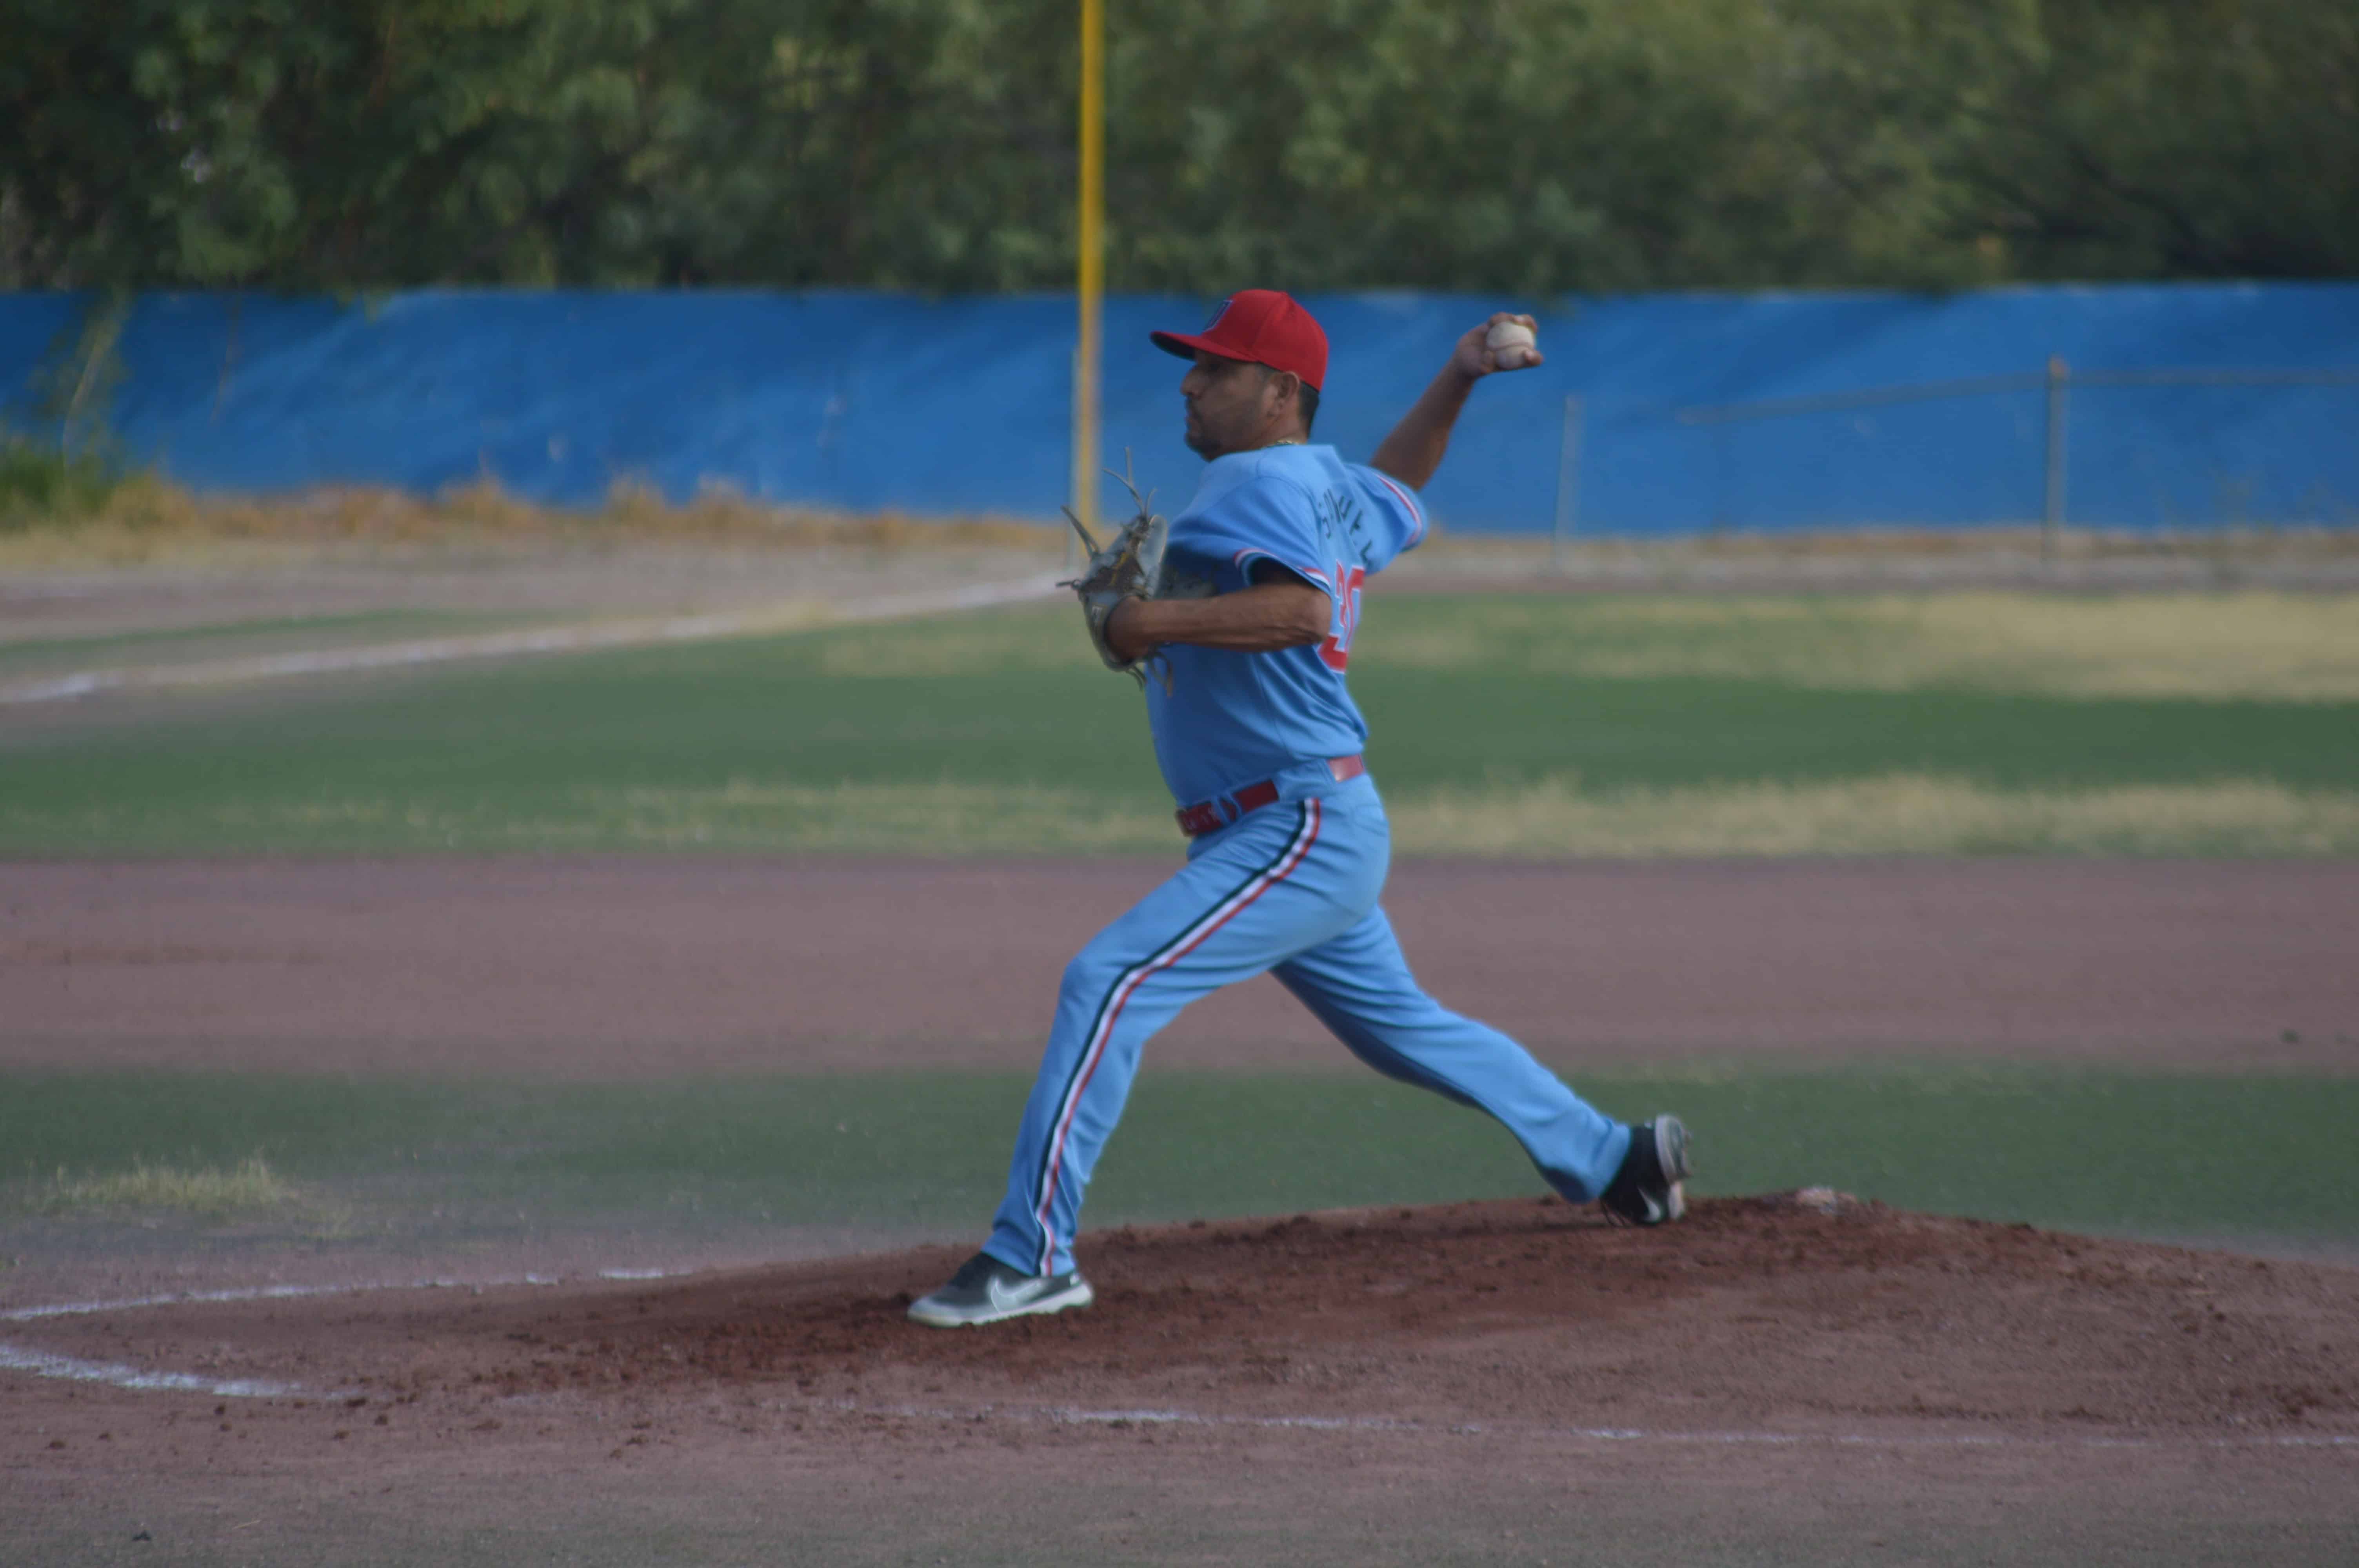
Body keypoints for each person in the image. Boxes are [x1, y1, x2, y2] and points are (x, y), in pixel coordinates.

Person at [908, 290, 1689, 1328]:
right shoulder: (1322, 484)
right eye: (1194, 366)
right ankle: (1617, 1157)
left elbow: (1304, 610)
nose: (1190, 385)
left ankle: (1032, 1255)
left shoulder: (1256, 481)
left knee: (1109, 982)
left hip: (1294, 827)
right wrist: (1457, 377)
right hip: (1304, 821)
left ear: (1279, 393)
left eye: (1216, 369)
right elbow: (1399, 485)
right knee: (1406, 1030)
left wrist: (1145, 621)